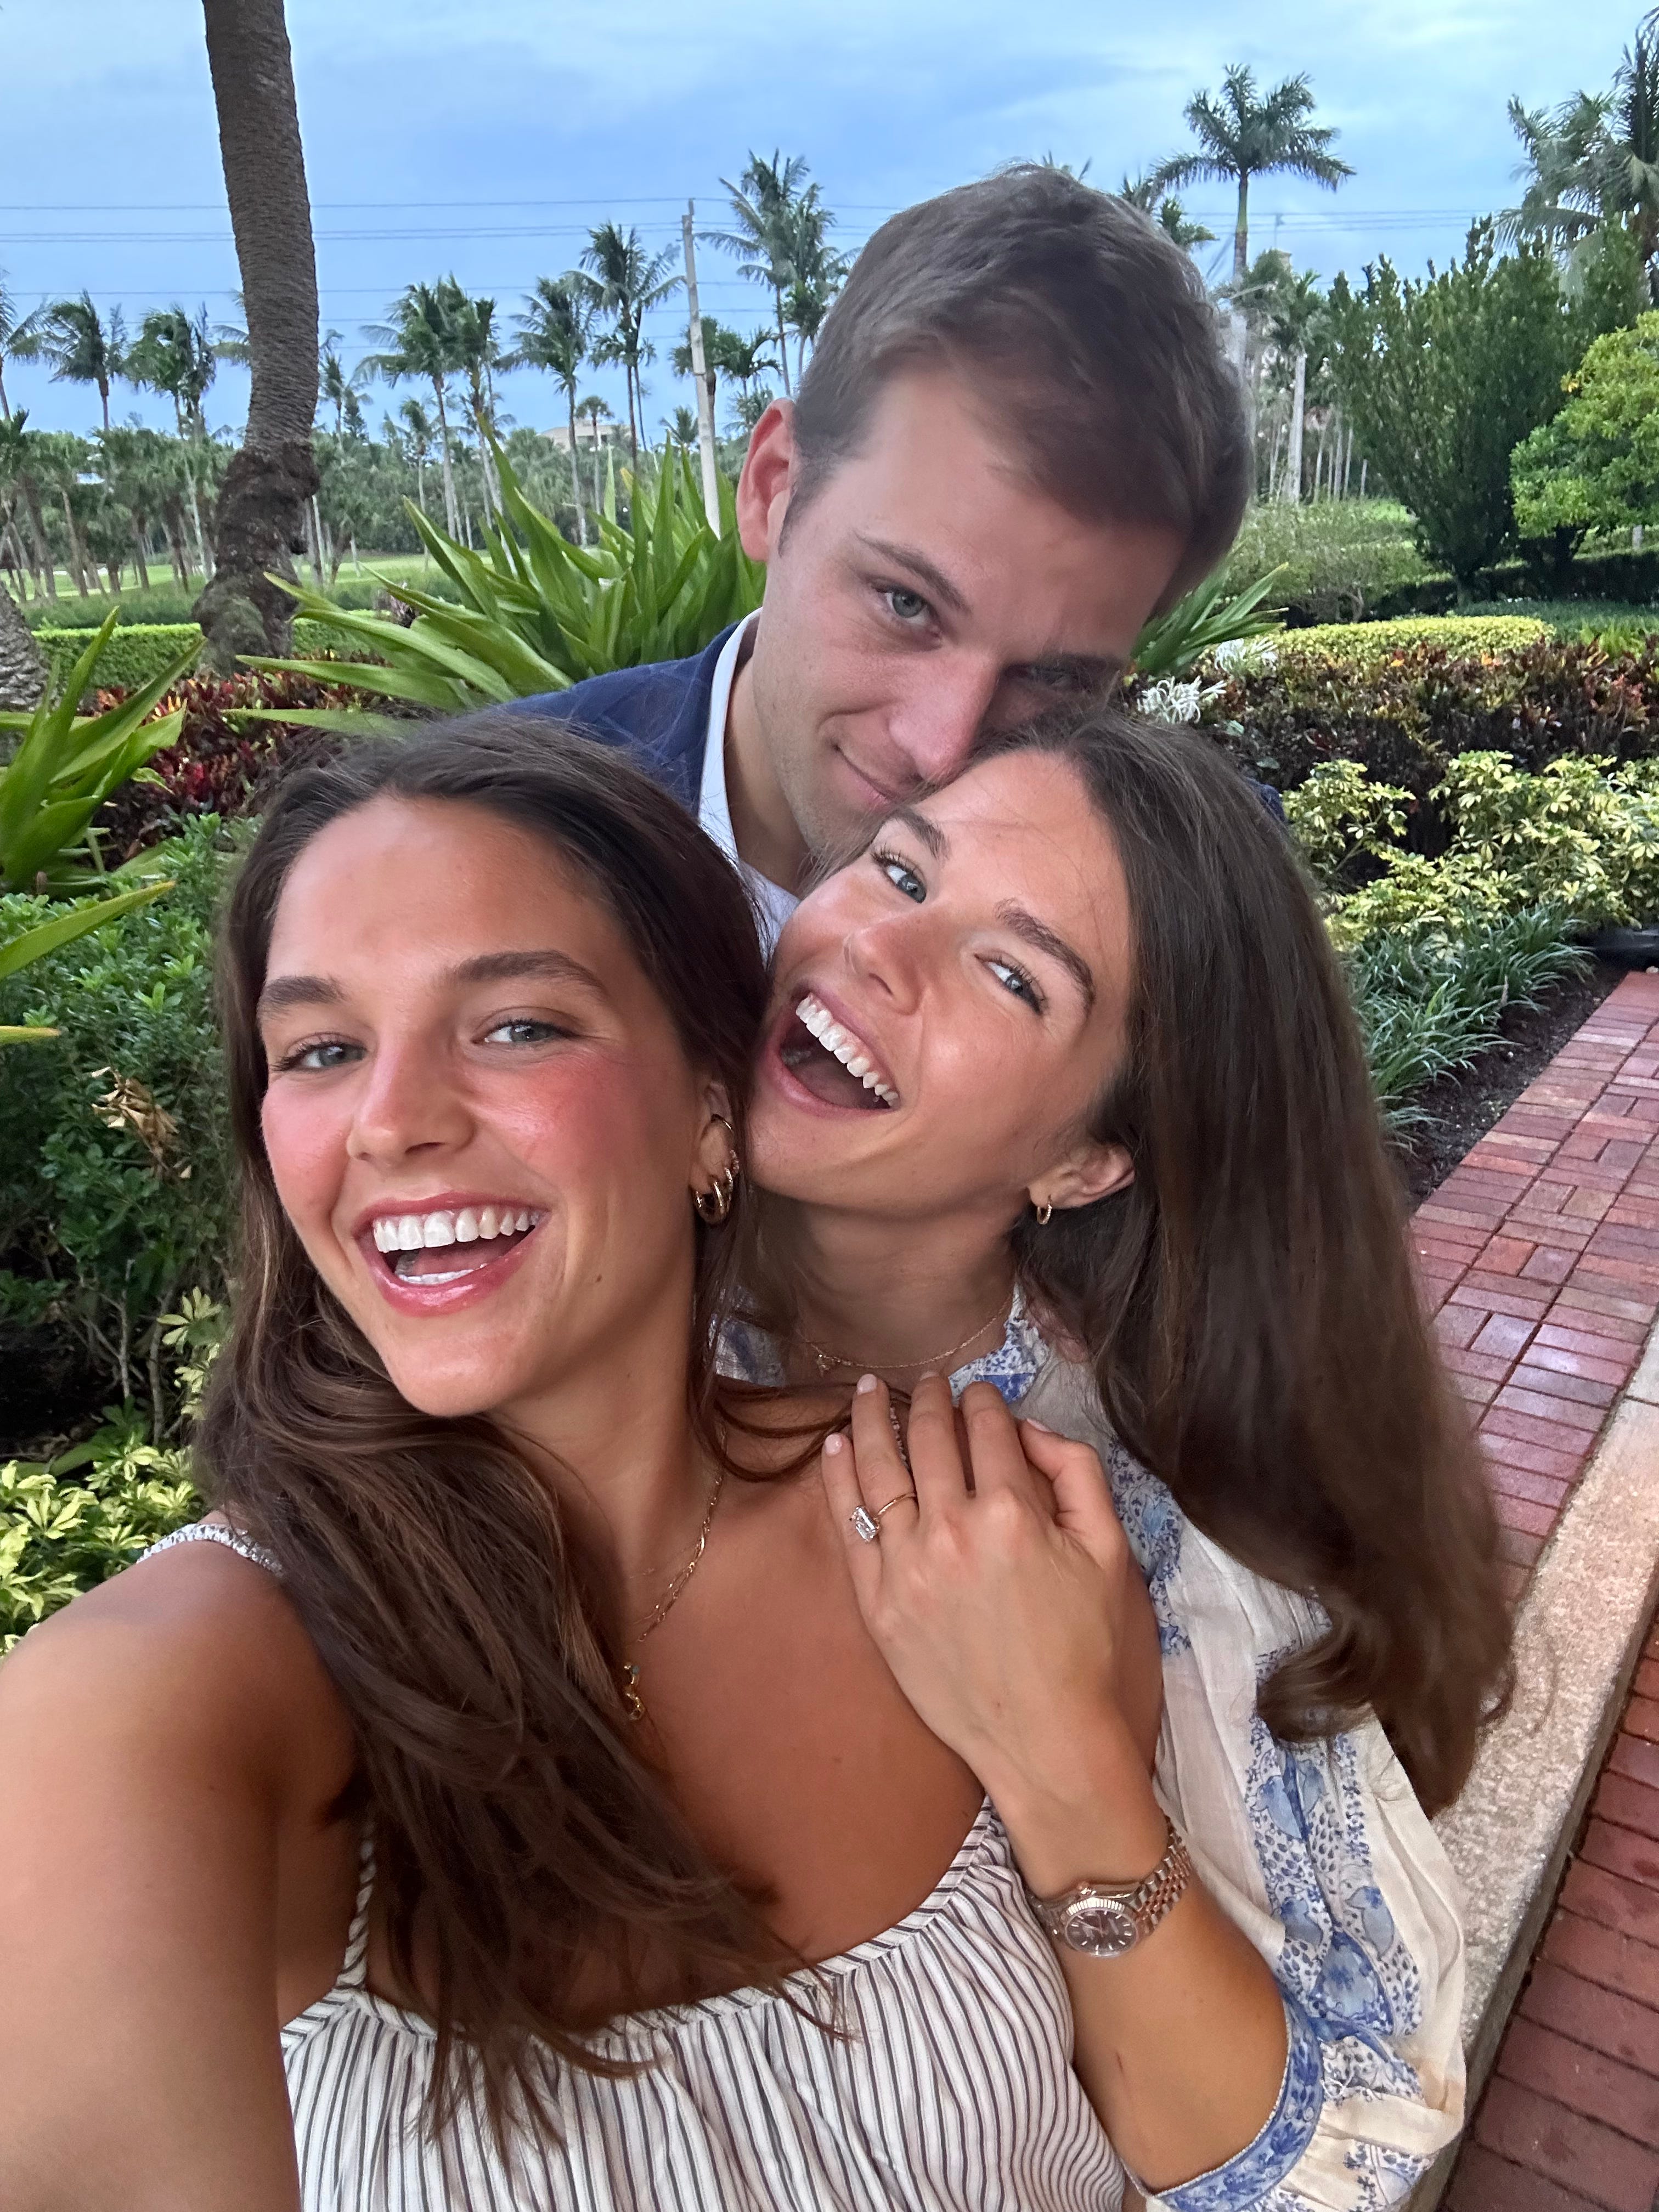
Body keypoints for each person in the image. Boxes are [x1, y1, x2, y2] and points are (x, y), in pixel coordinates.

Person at [0, 715, 1302, 2212]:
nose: (392, 1124)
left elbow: (1182, 2140)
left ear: (710, 1106)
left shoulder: (973, 1528)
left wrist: (1069, 1767)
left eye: (517, 1026)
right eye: (322, 1051)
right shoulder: (169, 1695)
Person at [732, 703, 1516, 2208]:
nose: (877, 950)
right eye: (900, 871)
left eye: (1011, 973)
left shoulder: (1147, 1531)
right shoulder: (593, 1292)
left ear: (1085, 1161)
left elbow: (1349, 2136)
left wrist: (1063, 1760)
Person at [521, 165, 1251, 940]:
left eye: (1052, 678)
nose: (942, 754)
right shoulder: (502, 844)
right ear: (773, 488)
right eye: (906, 603)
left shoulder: (1187, 934)